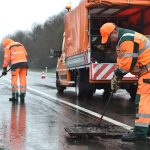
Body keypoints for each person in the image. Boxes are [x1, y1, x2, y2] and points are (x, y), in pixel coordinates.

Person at [100, 23, 150, 142]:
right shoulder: (122, 40)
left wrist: (117, 77)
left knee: (142, 102)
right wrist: (115, 77)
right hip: (146, 72)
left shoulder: (127, 39)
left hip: (148, 72)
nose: (108, 41)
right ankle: (146, 128)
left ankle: (140, 133)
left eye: (109, 38)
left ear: (114, 32)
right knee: (146, 102)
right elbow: (121, 61)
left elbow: (126, 65)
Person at [2, 38, 28, 103]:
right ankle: (22, 95)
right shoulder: (20, 44)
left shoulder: (8, 46)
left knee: (14, 80)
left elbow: (6, 58)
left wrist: (4, 68)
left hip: (15, 65)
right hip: (24, 64)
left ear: (5, 44)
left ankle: (15, 96)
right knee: (23, 79)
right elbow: (26, 54)